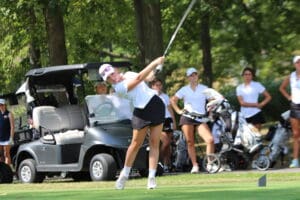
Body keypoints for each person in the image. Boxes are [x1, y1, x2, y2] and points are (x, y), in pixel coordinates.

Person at [99, 56, 165, 189]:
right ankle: (125, 173)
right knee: (135, 144)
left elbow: (148, 78)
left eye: (112, 74)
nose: (112, 77)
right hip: (141, 111)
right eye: (108, 78)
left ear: (116, 71)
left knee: (154, 143)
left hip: (155, 105)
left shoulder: (129, 74)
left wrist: (158, 68)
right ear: (107, 81)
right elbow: (139, 78)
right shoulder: (119, 88)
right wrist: (154, 62)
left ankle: (151, 178)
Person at [170, 67, 215, 174]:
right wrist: (178, 111)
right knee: (190, 142)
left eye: (194, 74)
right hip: (187, 117)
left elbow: (212, 100)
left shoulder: (204, 88)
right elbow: (173, 100)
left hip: (200, 118)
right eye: (191, 75)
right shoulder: (184, 89)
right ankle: (195, 165)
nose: (193, 77)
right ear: (188, 77)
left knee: (210, 139)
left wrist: (210, 109)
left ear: (197, 76)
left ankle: (210, 164)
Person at [150, 78, 177, 172]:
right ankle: (158, 161)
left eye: (159, 85)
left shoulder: (165, 96)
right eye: (156, 85)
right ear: (152, 86)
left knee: (168, 144)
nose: (158, 87)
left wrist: (174, 122)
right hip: (157, 120)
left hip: (167, 119)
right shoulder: (150, 95)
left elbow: (170, 109)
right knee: (165, 142)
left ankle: (167, 163)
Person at [279, 55, 300, 168]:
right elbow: (282, 88)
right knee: (296, 134)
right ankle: (295, 160)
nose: (299, 64)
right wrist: (288, 97)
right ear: (294, 64)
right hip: (295, 106)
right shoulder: (291, 76)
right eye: (297, 62)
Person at [0, 99, 14, 165]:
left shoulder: (9, 114)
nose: (1, 106)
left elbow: (12, 127)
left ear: (5, 105)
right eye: (0, 105)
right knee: (1, 154)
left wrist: (11, 138)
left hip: (7, 138)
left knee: (6, 153)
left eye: (2, 105)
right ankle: (2, 171)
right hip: (0, 137)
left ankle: (7, 170)